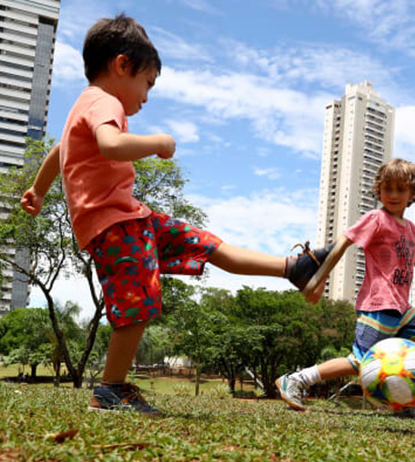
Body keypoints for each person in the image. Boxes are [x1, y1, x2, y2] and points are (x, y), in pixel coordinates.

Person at [20, 14, 330, 416]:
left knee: (205, 245)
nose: (146, 97)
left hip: (135, 218)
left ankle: (295, 268)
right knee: (139, 298)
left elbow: (60, 150)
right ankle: (111, 388)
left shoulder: (85, 104)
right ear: (121, 65)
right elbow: (111, 144)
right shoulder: (103, 102)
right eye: (147, 83)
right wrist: (158, 142)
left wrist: (38, 190)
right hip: (114, 225)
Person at [275, 159, 415, 421]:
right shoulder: (376, 219)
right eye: (388, 189)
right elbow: (344, 241)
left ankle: (407, 401)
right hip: (377, 304)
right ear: (379, 191)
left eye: (400, 189)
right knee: (360, 362)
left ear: (412, 194)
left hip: (402, 307)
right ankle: (295, 380)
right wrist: (320, 278)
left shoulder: (410, 229)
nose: (394, 195)